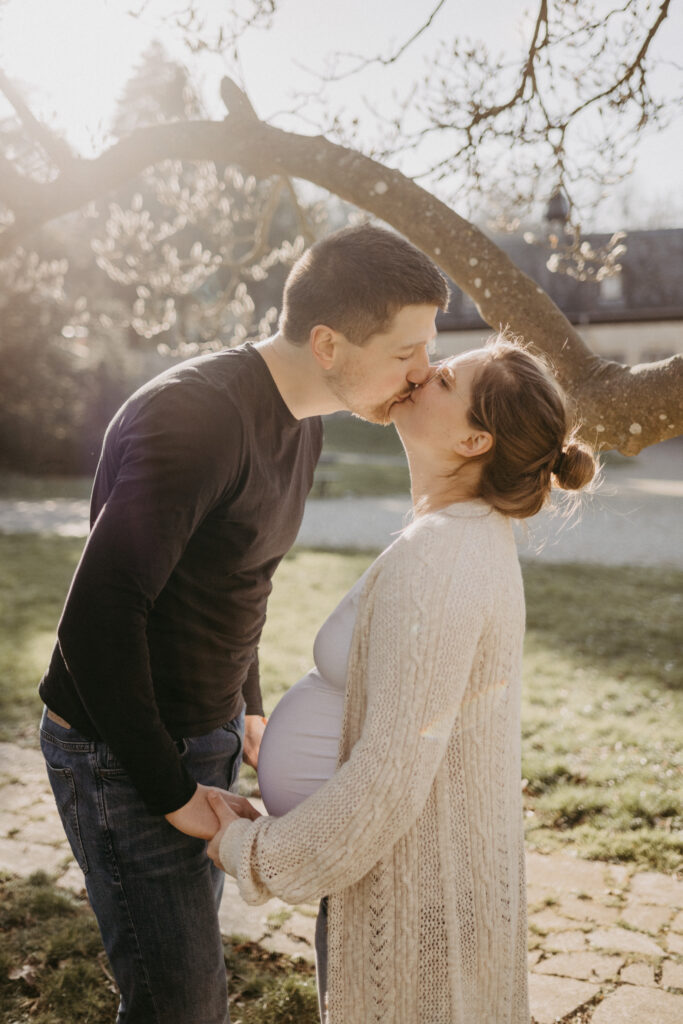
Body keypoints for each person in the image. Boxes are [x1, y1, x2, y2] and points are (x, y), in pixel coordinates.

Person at [38, 223, 449, 1024]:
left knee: (186, 990)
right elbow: (95, 622)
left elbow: (236, 575)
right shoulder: (195, 418)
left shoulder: (306, 419)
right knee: (181, 1006)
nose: (422, 373)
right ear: (328, 342)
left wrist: (246, 705)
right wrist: (171, 792)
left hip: (206, 730)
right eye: (405, 353)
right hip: (121, 751)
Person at [207, 333, 597, 1024]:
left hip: (411, 899)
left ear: (475, 442)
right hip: (411, 884)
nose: (423, 372)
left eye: (446, 380)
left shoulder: (442, 559)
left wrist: (250, 849)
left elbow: (386, 782)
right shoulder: (456, 534)